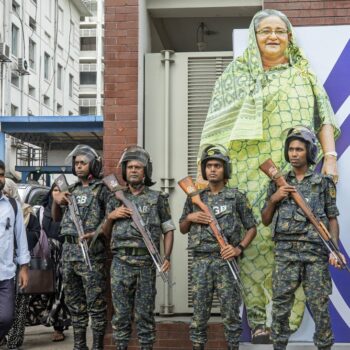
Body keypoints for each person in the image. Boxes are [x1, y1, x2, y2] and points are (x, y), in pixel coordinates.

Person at [199, 8, 340, 342]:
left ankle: (288, 320)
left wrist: (330, 159)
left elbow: (323, 118)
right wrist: (209, 177)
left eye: (280, 31)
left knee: (300, 239)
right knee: (256, 240)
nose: (273, 37)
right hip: (248, 172)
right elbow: (215, 127)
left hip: (295, 172)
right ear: (254, 37)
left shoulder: (303, 75)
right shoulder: (235, 76)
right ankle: (260, 318)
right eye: (265, 31)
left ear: (289, 38)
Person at [261, 126, 345, 350]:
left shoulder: (322, 183)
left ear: (309, 152)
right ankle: (278, 346)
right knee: (280, 306)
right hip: (285, 253)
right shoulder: (276, 181)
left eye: (299, 149)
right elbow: (266, 220)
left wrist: (334, 250)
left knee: (319, 305)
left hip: (315, 254)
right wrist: (274, 199)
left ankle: (324, 346)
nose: (294, 153)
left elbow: (332, 219)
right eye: (290, 149)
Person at [179, 145, 257, 350]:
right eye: (209, 166)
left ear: (225, 170)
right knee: (199, 315)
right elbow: (182, 228)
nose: (212, 169)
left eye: (217, 166)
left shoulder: (236, 197)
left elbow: (251, 228)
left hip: (226, 261)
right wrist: (190, 216)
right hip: (200, 262)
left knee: (231, 314)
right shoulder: (194, 198)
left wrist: (238, 248)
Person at [103, 145, 175, 350]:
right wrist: (111, 216)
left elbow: (168, 229)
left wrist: (166, 256)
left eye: (138, 167)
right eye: (130, 167)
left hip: (146, 263)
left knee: (144, 315)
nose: (134, 170)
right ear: (125, 171)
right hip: (120, 264)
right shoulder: (113, 198)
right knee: (121, 316)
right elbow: (105, 233)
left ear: (146, 171)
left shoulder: (157, 198)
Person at [52, 145, 109, 350]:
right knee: (75, 304)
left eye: (83, 163)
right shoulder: (72, 190)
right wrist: (56, 200)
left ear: (93, 164)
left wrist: (97, 233)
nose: (79, 166)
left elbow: (110, 220)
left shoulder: (102, 189)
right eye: (76, 163)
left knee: (96, 304)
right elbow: (57, 219)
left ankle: (97, 346)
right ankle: (79, 345)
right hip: (69, 255)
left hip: (91, 255)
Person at [26, 184, 71, 342]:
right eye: (55, 190)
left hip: (63, 256)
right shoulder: (40, 210)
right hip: (44, 255)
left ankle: (59, 328)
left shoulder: (68, 210)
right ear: (51, 193)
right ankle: (41, 320)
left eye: (60, 190)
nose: (57, 193)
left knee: (59, 292)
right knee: (41, 289)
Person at [4, 179, 41, 350]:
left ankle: (14, 340)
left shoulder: (25, 211)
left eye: (8, 190)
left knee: (14, 309)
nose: (5, 193)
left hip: (17, 265)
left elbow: (33, 235)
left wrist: (23, 263)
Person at [0, 161, 30, 341]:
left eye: (1, 174)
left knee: (6, 318)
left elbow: (21, 237)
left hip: (6, 274)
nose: (0, 178)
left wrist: (24, 267)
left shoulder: (12, 205)